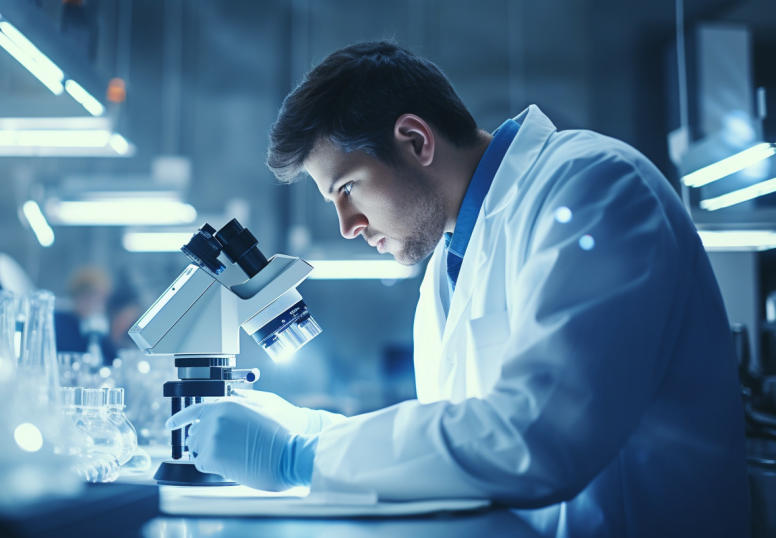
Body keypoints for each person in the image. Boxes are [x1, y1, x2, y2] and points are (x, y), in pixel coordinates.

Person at [166, 41, 749, 536]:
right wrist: (306, 426)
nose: (347, 226)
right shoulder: (451, 261)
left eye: (348, 188)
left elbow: (535, 440)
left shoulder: (593, 189)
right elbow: (455, 442)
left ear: (417, 141)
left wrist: (296, 457)